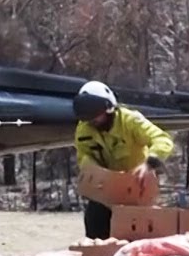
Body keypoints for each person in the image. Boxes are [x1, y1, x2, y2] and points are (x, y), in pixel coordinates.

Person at [73, 80, 174, 239]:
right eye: (88, 118)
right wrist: (92, 173)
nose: (93, 121)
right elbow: (83, 158)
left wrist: (149, 164)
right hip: (104, 192)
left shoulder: (130, 121)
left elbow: (163, 140)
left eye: (96, 115)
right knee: (95, 226)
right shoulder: (83, 130)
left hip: (135, 189)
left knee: (135, 238)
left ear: (108, 108)